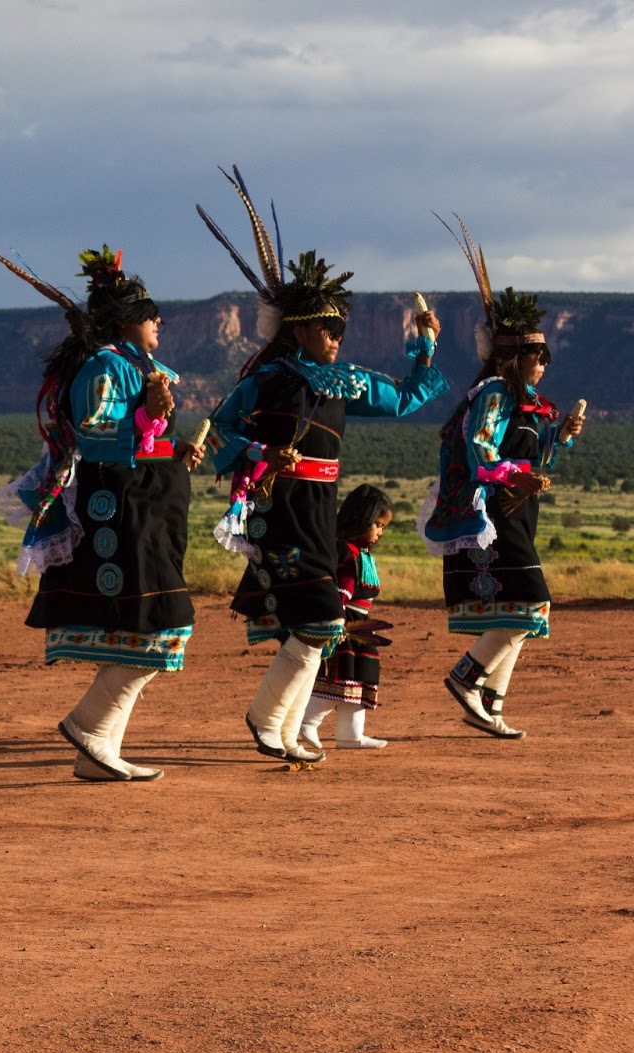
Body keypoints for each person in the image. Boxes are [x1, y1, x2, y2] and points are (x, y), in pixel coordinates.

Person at [198, 167, 447, 764]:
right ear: (299, 330)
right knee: (318, 618)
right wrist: (264, 454)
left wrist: (426, 344)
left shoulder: (347, 380)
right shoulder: (266, 379)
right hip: (279, 507)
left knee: (318, 626)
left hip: (322, 511)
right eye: (326, 329)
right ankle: (266, 721)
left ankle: (280, 728)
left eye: (340, 329)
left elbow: (408, 396)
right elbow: (219, 432)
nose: (336, 338)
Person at [0, 241, 203, 782]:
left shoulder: (140, 367)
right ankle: (88, 724)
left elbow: (145, 436)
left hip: (149, 503)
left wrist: (175, 445)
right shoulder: (102, 366)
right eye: (149, 314)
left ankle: (97, 748)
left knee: (152, 622)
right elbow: (96, 434)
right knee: (161, 621)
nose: (159, 321)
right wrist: (146, 415)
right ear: (124, 320)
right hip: (122, 507)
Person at [419, 223, 584, 739]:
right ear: (513, 356)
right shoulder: (493, 393)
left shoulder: (529, 404)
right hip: (490, 513)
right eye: (537, 356)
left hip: (517, 511)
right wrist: (518, 476)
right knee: (531, 601)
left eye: (545, 356)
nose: (543, 364)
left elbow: (536, 456)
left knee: (523, 611)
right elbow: (481, 451)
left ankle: (489, 702)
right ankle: (467, 678)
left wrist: (562, 435)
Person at [299, 484, 394, 750]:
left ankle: (350, 735)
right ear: (361, 519)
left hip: (358, 625)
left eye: (383, 527)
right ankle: (307, 720)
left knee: (357, 679)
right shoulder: (348, 554)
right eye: (377, 525)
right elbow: (341, 592)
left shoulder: (359, 552)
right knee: (341, 679)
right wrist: (337, 622)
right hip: (347, 624)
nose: (380, 532)